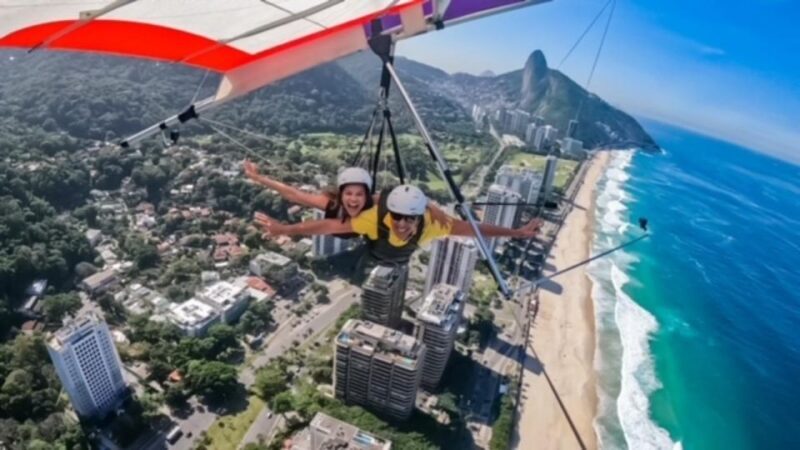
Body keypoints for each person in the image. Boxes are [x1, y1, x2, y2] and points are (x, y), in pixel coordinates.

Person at [254, 184, 541, 268]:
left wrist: (518, 232)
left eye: (409, 218)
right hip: (375, 252)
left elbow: (476, 229)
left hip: (398, 258)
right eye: (397, 217)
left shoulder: (431, 223)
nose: (403, 224)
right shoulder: (373, 218)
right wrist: (285, 230)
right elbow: (323, 226)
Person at [244, 161, 451, 237]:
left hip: (369, 228)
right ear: (341, 194)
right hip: (343, 223)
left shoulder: (374, 204)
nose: (353, 199)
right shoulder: (334, 204)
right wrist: (258, 177)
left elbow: (319, 226)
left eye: (359, 195)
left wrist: (430, 205)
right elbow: (293, 193)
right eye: (348, 194)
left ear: (366, 196)